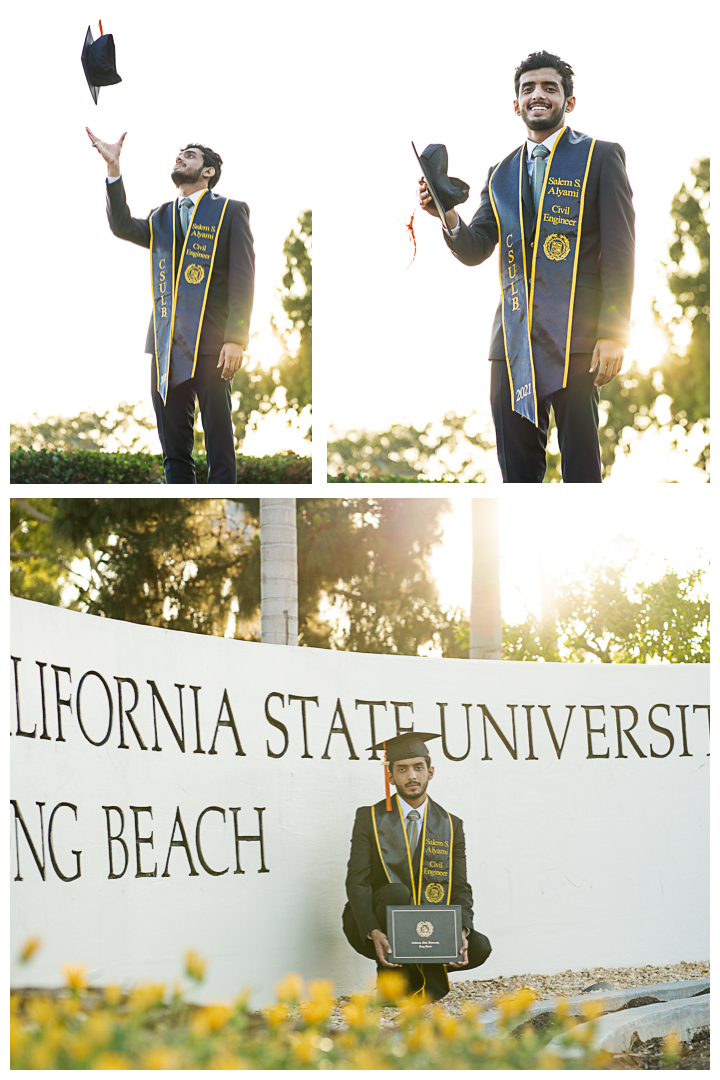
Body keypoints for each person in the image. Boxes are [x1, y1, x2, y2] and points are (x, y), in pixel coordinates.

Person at [419, 51, 635, 484]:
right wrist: (446, 215)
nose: (538, 95)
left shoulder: (600, 157)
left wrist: (614, 332)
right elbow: (477, 247)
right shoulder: (500, 173)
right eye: (528, 89)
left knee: (581, 472)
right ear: (515, 104)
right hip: (511, 342)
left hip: (577, 341)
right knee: (516, 476)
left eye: (549, 88)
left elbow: (619, 249)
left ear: (568, 103)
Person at [87, 129, 255, 484]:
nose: (180, 158)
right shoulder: (161, 217)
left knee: (219, 446)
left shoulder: (230, 212)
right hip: (166, 347)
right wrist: (113, 167)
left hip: (213, 346)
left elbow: (243, 277)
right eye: (179, 154)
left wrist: (236, 338)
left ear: (208, 171)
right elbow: (120, 225)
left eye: (190, 155)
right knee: (175, 453)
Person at [342, 731, 491, 1001]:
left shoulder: (450, 824)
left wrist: (462, 930)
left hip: (424, 925)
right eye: (402, 769)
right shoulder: (370, 818)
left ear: (430, 772)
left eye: (418, 768)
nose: (412, 776)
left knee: (479, 947)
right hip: (372, 921)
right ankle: (394, 984)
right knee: (397, 893)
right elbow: (357, 882)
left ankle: (413, 971)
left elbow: (459, 885)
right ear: (391, 776)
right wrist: (373, 930)